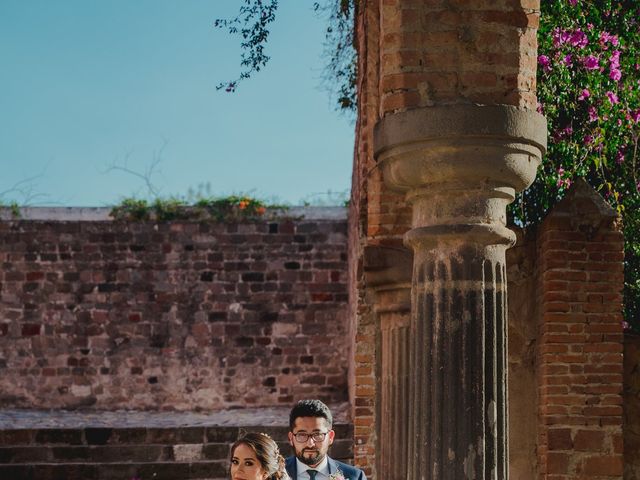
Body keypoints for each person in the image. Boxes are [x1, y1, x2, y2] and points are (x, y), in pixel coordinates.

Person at [285, 399, 367, 480]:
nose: (310, 444)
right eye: (302, 435)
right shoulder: (274, 474)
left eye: (317, 435)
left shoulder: (356, 477)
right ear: (291, 438)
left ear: (331, 437)